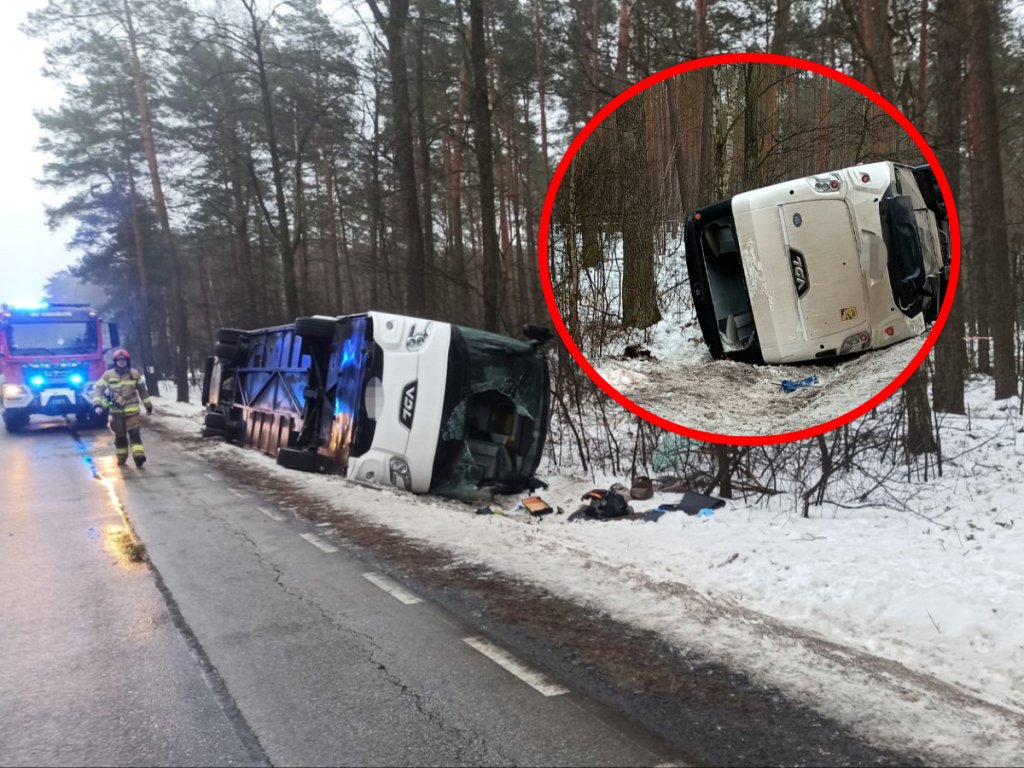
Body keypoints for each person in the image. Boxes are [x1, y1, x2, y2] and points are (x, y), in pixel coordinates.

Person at [93, 348, 154, 467]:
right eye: (119, 360)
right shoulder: (108, 375)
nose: (121, 362)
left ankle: (139, 456)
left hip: (133, 413)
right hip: (116, 414)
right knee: (120, 437)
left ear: (127, 361)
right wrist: (97, 404)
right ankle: (121, 458)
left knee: (134, 434)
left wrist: (148, 405)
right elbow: (98, 389)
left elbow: (143, 391)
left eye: (124, 359)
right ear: (115, 361)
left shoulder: (134, 374)